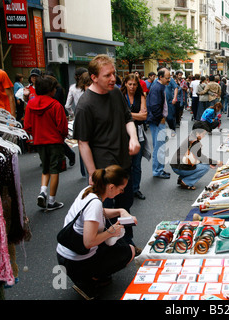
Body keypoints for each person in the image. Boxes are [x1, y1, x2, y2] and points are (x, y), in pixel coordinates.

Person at [73, 54, 140, 246]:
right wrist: (92, 173)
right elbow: (83, 142)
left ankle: (126, 243)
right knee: (103, 212)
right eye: (107, 75)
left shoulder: (116, 93)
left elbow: (128, 118)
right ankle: (105, 250)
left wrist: (133, 138)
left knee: (125, 205)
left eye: (114, 73)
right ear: (94, 77)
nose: (113, 79)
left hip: (123, 163)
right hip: (104, 169)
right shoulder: (85, 105)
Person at [56, 165, 138, 300]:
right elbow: (89, 242)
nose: (122, 192)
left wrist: (120, 211)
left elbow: (98, 214)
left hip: (65, 253)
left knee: (120, 245)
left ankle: (91, 276)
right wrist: (111, 232)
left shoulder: (89, 191)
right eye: (121, 189)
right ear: (111, 187)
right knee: (129, 251)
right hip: (76, 261)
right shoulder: (95, 204)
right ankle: (88, 279)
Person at [24, 75, 68, 211]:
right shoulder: (55, 105)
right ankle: (51, 200)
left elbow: (27, 125)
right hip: (54, 141)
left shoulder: (30, 104)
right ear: (50, 89)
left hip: (39, 140)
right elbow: (62, 127)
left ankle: (42, 191)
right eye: (54, 88)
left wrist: (35, 133)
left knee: (45, 169)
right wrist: (62, 137)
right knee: (55, 170)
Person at [170, 121, 222, 190]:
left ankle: (182, 178)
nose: (204, 136)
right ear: (197, 133)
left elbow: (197, 157)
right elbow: (201, 158)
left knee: (204, 164)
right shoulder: (195, 142)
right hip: (180, 167)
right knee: (205, 167)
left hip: (176, 165)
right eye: (203, 134)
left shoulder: (191, 137)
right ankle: (186, 182)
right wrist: (216, 162)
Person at [121, 73, 149, 200]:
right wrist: (135, 115)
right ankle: (124, 188)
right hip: (123, 133)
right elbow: (118, 115)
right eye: (130, 84)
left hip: (138, 132)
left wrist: (126, 115)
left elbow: (144, 117)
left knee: (137, 164)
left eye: (134, 84)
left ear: (138, 85)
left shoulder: (141, 96)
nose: (132, 87)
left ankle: (135, 189)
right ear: (125, 84)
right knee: (126, 163)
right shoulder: (121, 96)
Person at [146, 67, 171, 179]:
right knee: (159, 147)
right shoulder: (157, 88)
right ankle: (157, 170)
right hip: (157, 121)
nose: (169, 80)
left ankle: (159, 169)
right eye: (167, 77)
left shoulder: (159, 86)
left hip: (159, 120)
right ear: (160, 77)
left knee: (161, 146)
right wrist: (160, 117)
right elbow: (154, 105)